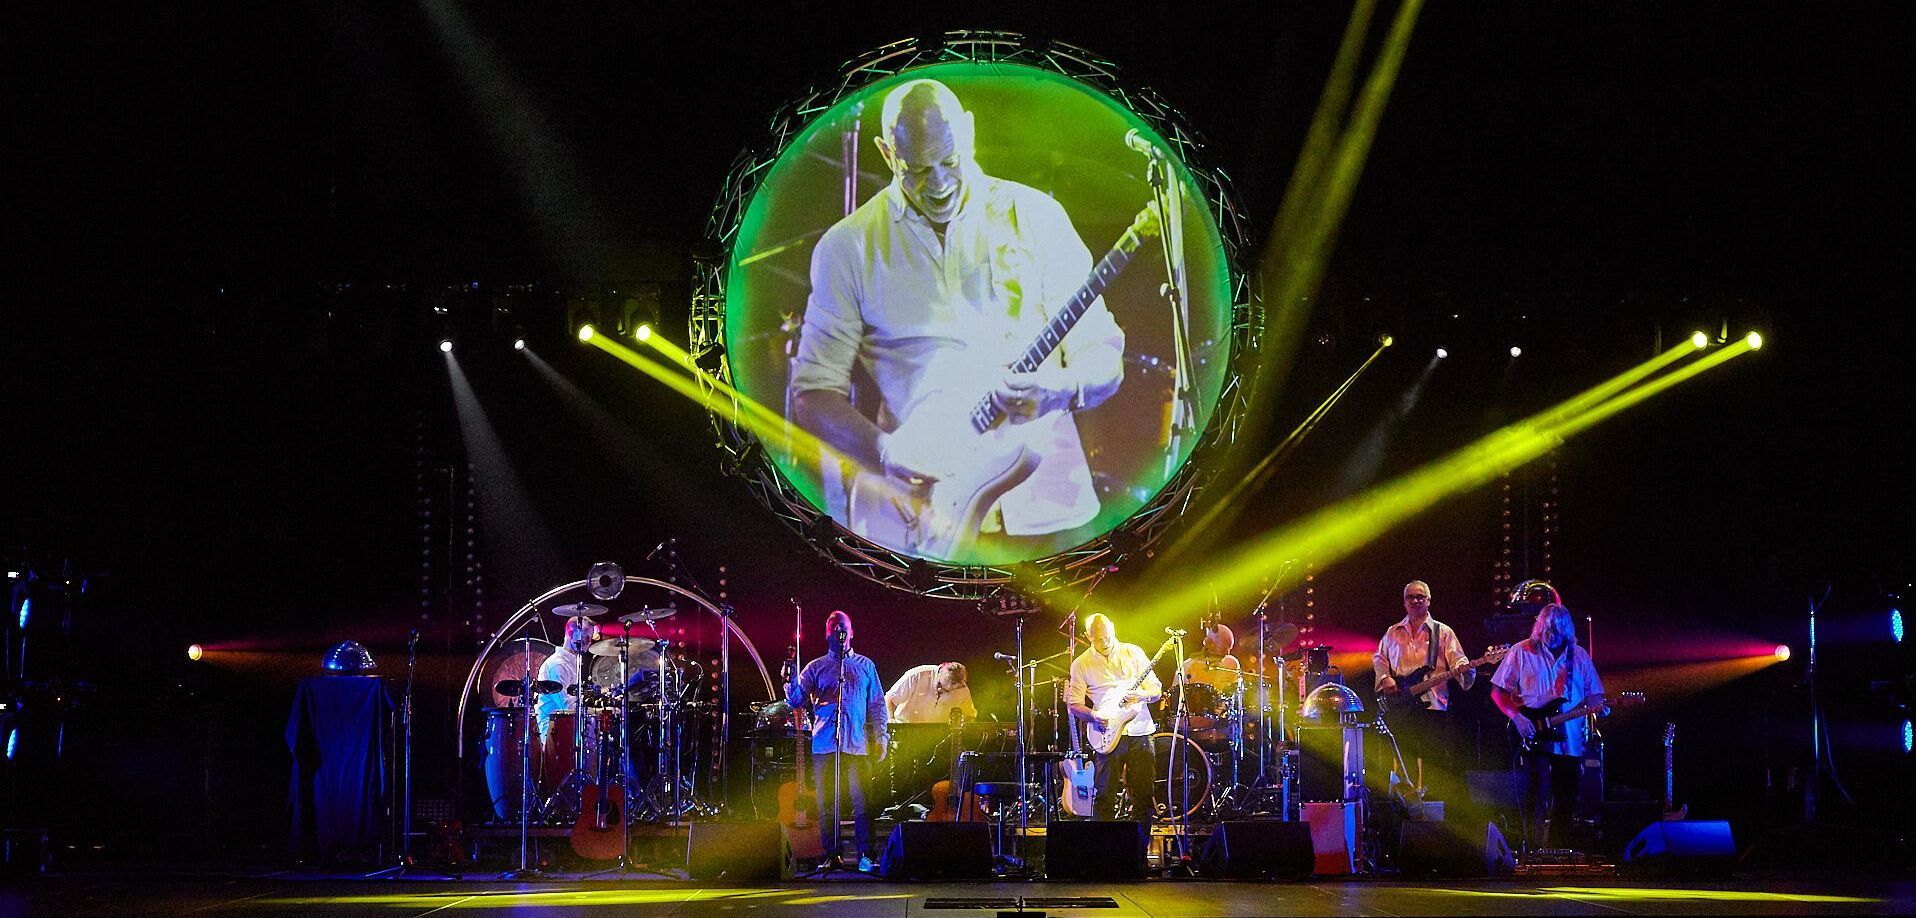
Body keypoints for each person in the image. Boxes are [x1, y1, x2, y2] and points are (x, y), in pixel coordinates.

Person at [788, 78, 1126, 561]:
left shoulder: (1036, 216)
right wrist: (883, 451)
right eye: (919, 171)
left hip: (1051, 510)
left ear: (968, 132)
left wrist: (1062, 389)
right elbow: (813, 394)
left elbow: (1104, 359)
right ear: (887, 154)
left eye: (950, 162)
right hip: (924, 520)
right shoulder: (847, 248)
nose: (941, 184)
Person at [1490, 603, 1605, 851]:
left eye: (1556, 627)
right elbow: (1499, 692)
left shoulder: (1579, 656)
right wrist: (1518, 718)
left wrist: (1600, 706)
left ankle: (1557, 850)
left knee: (1566, 797)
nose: (1550, 632)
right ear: (1539, 626)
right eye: (1546, 626)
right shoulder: (1521, 651)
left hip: (1569, 741)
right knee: (1536, 796)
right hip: (1534, 737)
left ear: (1566, 629)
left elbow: (1595, 695)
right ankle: (1533, 851)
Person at [784, 610, 889, 870]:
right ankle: (831, 854)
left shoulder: (865, 665)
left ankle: (866, 855)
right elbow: (797, 701)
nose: (838, 630)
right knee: (826, 804)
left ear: (851, 632)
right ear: (827, 633)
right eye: (833, 627)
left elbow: (877, 704)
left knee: (862, 802)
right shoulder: (815, 667)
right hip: (825, 744)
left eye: (843, 626)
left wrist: (881, 736)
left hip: (856, 745)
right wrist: (789, 682)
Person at [1372, 581, 1476, 803]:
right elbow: (1379, 659)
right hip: (1401, 706)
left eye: (1420, 597)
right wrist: (1385, 678)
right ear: (1404, 602)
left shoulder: (1442, 631)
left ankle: (1432, 810)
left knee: (1433, 760)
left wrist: (1463, 667)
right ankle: (1405, 808)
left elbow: (1458, 658)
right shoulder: (1393, 632)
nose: (1416, 600)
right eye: (1411, 597)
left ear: (1429, 601)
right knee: (1403, 759)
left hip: (1433, 705)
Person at [1066, 613, 1163, 838]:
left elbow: (1156, 690)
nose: (1106, 642)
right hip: (1107, 734)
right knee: (1104, 795)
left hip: (1140, 731)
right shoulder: (1081, 664)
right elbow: (1074, 705)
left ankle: (1139, 852)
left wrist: (1141, 695)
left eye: (1108, 636)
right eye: (1099, 639)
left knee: (1143, 795)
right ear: (1087, 637)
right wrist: (1094, 716)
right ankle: (1104, 853)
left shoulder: (1133, 652)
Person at [535, 615, 594, 738]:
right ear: (572, 635)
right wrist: (597, 712)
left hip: (567, 728)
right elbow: (567, 709)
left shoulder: (572, 663)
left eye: (590, 639)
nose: (589, 643)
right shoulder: (557, 665)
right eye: (586, 638)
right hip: (553, 733)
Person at [886, 661, 977, 725]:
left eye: (946, 691)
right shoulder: (917, 674)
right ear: (940, 672)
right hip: (905, 730)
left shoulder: (961, 689)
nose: (940, 690)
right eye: (939, 685)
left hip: (937, 738)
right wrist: (890, 720)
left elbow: (969, 715)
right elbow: (889, 698)